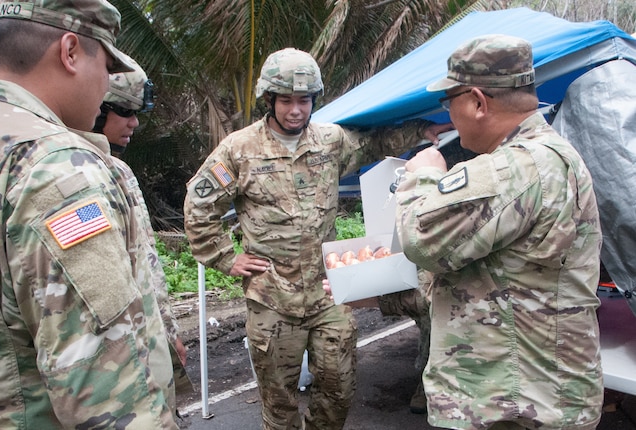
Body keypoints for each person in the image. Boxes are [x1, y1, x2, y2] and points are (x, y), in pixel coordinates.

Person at [0, 1, 180, 428]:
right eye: (105, 65)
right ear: (70, 51)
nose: (106, 83)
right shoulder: (54, 167)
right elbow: (105, 385)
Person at [183, 47, 452, 430]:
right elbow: (199, 204)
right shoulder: (239, 150)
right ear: (269, 100)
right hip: (272, 299)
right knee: (280, 405)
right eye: (288, 100)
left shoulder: (330, 140)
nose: (296, 110)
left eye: (305, 100)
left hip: (329, 293)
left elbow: (374, 142)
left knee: (340, 392)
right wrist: (225, 258)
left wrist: (421, 131)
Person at [395, 34, 603, 429]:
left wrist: (423, 175)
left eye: (449, 102)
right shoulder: (553, 154)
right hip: (538, 393)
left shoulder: (512, 169)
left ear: (476, 102)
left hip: (511, 404)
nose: (450, 115)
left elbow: (420, 239)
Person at [92, 53, 193, 404]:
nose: (134, 123)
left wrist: (168, 334)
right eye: (126, 111)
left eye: (137, 113)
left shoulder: (116, 170)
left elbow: (147, 266)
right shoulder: (83, 172)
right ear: (99, 107)